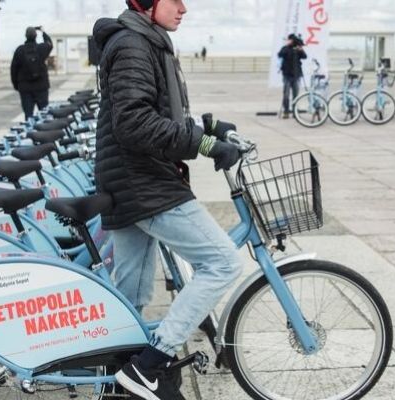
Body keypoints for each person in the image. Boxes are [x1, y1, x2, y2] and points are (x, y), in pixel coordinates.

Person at [93, 1, 243, 399]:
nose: (184, 8)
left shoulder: (146, 41)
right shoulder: (132, 44)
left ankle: (116, 380)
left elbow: (157, 110)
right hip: (143, 182)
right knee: (223, 262)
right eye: (173, 0)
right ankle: (151, 366)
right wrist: (205, 144)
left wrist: (206, 125)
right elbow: (134, 122)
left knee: (132, 292)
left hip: (129, 179)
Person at [11, 26, 54, 120]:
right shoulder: (41, 48)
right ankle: (44, 133)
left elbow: (13, 69)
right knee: (44, 114)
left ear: (25, 36)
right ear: (35, 36)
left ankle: (29, 133)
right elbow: (50, 44)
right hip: (41, 86)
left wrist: (16, 85)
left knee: (28, 115)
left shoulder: (19, 50)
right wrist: (43, 31)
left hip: (25, 87)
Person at [277, 33, 306, 118]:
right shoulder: (285, 48)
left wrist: (300, 49)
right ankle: (286, 112)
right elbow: (280, 54)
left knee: (295, 95)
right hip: (287, 75)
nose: (289, 41)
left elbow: (304, 56)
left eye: (290, 40)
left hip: (296, 75)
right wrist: (288, 46)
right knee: (286, 94)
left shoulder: (297, 49)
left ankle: (295, 112)